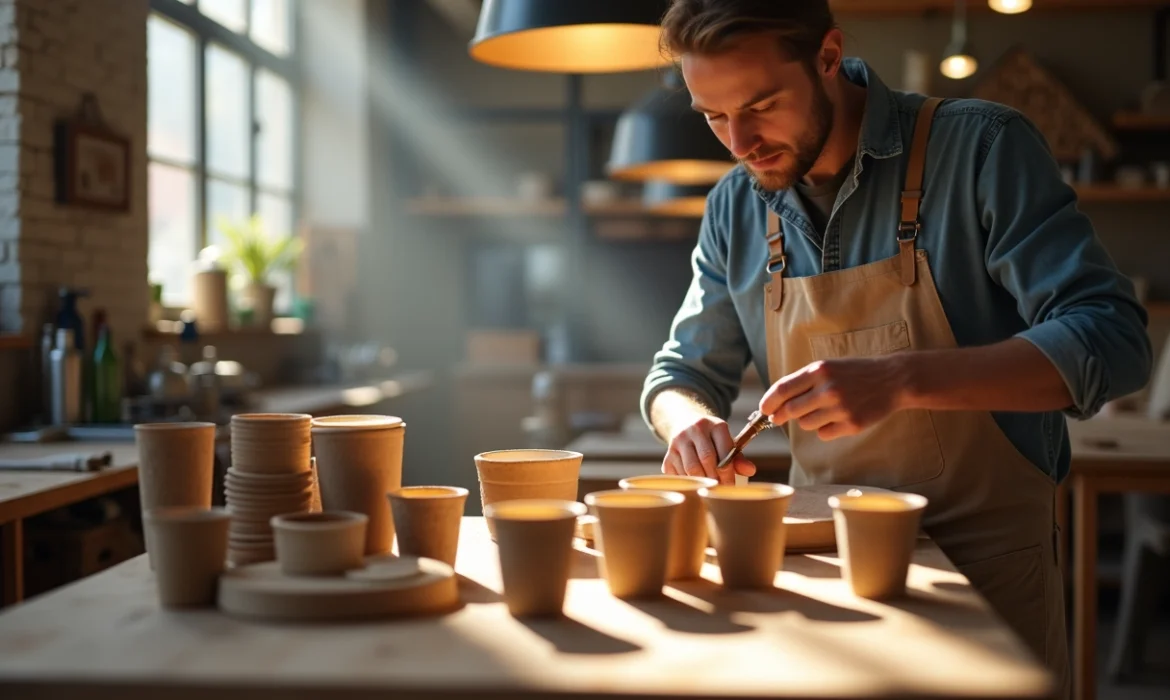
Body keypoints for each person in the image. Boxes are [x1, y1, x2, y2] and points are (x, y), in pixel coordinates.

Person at [642, 1, 1152, 696]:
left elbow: (1112, 338)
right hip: (826, 566)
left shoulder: (980, 148)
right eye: (713, 116)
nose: (740, 142)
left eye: (761, 106)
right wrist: (688, 422)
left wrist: (904, 379)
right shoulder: (737, 205)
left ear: (828, 55)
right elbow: (680, 373)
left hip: (984, 569)